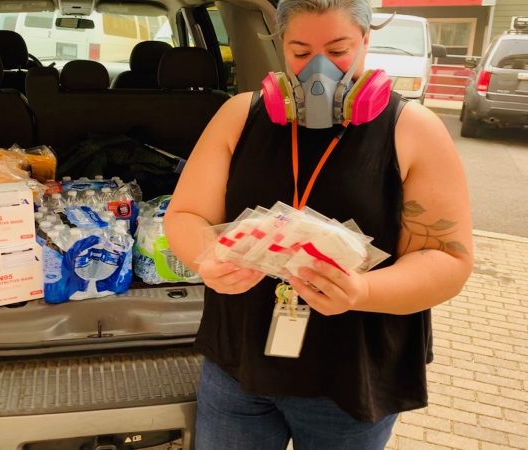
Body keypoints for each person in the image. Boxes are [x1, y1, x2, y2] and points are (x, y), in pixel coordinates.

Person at [163, 0, 474, 449]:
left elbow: (449, 259)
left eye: (339, 49)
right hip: (239, 367)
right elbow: (187, 215)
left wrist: (363, 292)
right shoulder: (238, 116)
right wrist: (205, 259)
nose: (319, 68)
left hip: (351, 379)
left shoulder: (414, 130)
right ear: (281, 48)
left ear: (366, 41)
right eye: (301, 51)